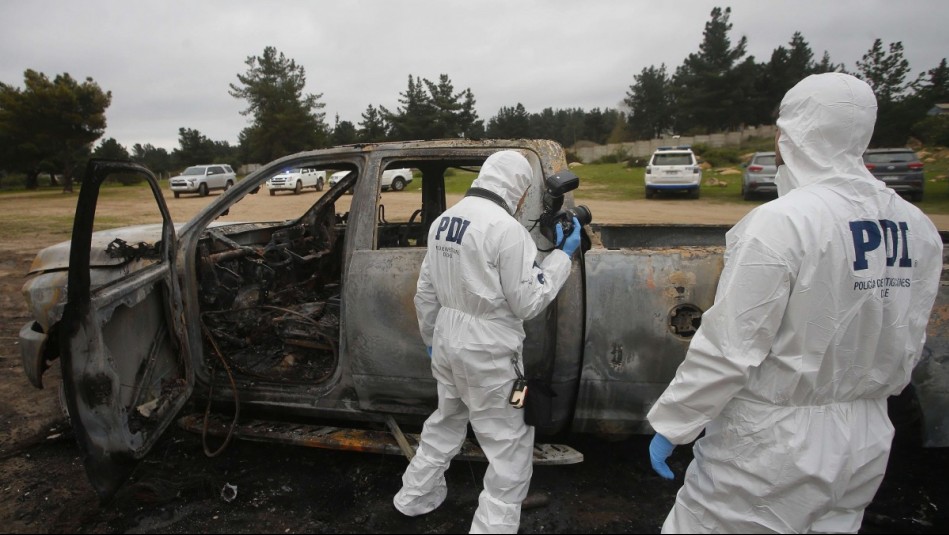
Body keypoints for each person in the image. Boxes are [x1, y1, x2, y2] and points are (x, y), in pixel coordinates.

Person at [645, 72, 944, 533]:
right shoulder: (916, 226)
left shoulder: (782, 223)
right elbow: (907, 333)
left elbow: (730, 346)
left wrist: (675, 422)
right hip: (866, 436)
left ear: (794, 133)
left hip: (775, 444)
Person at [393, 150, 582, 534]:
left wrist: (431, 339)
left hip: (447, 340)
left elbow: (425, 292)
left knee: (446, 420)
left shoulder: (443, 221)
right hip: (490, 351)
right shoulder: (507, 230)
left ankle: (414, 497)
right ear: (518, 188)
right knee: (510, 444)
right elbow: (528, 302)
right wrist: (563, 256)